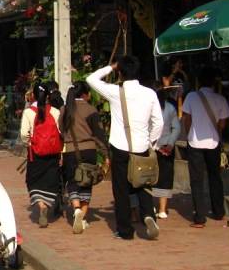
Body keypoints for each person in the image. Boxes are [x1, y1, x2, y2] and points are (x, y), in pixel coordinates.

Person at [87, 55, 163, 241]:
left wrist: (111, 67)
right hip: (142, 147)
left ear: (120, 72)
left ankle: (125, 231)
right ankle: (148, 216)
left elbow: (90, 79)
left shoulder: (115, 91)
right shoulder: (150, 93)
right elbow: (159, 123)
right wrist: (151, 142)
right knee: (143, 184)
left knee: (121, 190)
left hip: (120, 147)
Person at [181, 66, 229, 227]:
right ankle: (218, 212)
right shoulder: (220, 99)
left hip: (194, 142)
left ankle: (199, 217)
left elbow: (186, 119)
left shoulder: (191, 97)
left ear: (199, 81)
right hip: (213, 142)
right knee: (215, 177)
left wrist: (188, 135)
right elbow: (222, 123)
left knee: (196, 180)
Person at [59, 80, 107, 234]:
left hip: (70, 151)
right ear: (85, 94)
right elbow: (98, 134)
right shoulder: (90, 109)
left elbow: (61, 129)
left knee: (72, 181)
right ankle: (83, 217)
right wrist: (105, 154)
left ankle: (76, 209)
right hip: (89, 150)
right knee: (86, 181)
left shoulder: (64, 109)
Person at [20, 82, 63, 227]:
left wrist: (30, 144)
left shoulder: (28, 112)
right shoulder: (55, 112)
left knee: (33, 181)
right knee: (51, 181)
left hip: (35, 154)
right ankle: (48, 204)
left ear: (33, 95)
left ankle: (41, 205)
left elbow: (23, 134)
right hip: (52, 154)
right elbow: (61, 132)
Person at [152, 67, 182, 220]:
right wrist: (170, 144)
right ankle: (163, 209)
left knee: (148, 176)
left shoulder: (147, 108)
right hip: (166, 147)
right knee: (165, 177)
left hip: (150, 147)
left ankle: (149, 206)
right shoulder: (169, 107)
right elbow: (177, 127)